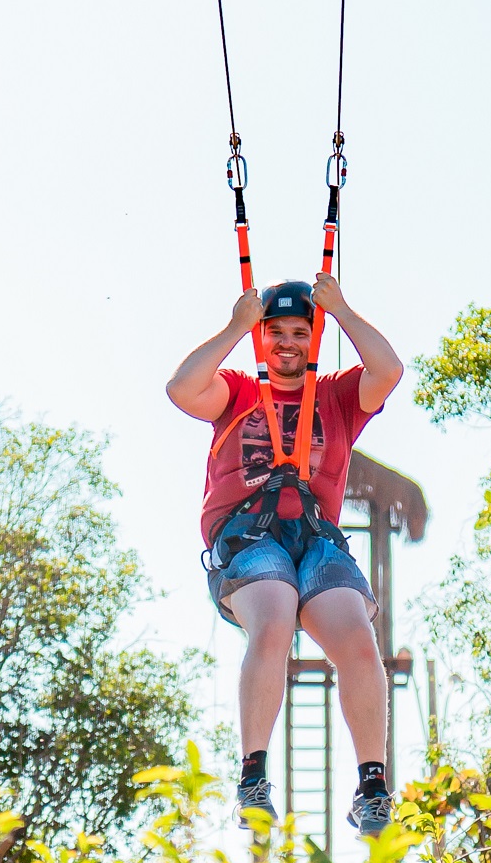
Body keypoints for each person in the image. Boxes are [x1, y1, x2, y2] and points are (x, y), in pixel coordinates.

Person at [166, 273, 404, 834]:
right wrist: (235, 326)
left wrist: (339, 307)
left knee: (358, 639)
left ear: (315, 340)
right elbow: (181, 388)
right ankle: (253, 775)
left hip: (317, 539)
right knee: (273, 618)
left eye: (301, 332)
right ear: (262, 340)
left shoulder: (337, 397)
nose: (288, 343)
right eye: (277, 333)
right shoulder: (239, 392)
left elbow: (388, 371)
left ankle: (372, 785)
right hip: (249, 537)